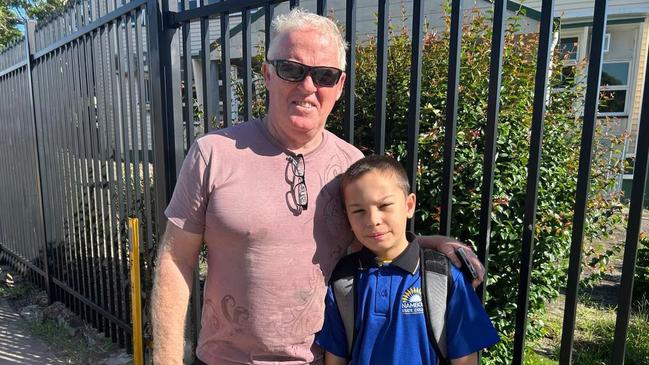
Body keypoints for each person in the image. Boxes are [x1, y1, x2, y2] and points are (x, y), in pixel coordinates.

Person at [151, 8, 485, 365]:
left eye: (324, 75)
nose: (308, 86)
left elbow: (371, 243)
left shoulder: (352, 166)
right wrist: (167, 358)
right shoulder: (213, 154)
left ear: (339, 87)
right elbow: (176, 259)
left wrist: (431, 244)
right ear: (267, 74)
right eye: (292, 69)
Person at [316, 155, 499, 365]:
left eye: (384, 205)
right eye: (358, 211)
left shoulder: (443, 277)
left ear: (409, 205)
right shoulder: (342, 279)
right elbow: (335, 359)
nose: (373, 220)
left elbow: (465, 360)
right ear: (347, 217)